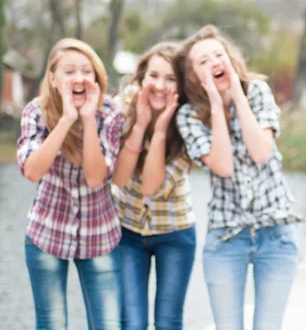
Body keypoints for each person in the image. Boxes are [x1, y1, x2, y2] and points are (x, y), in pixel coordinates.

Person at [175, 25, 302, 330]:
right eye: (203, 61)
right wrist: (217, 105)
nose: (214, 63)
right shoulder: (189, 116)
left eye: (218, 55)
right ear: (192, 75)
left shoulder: (257, 92)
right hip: (226, 238)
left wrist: (236, 97)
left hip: (276, 234)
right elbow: (223, 166)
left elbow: (261, 152)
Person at [17, 38, 124, 330]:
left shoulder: (110, 112)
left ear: (97, 78)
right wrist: (66, 119)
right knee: (51, 324)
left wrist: (88, 119)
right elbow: (32, 172)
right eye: (69, 71)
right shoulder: (35, 111)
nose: (79, 78)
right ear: (52, 79)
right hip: (46, 233)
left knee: (109, 325)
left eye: (87, 71)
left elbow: (94, 178)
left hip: (99, 234)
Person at [112, 42, 196, 330]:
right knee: (131, 323)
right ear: (141, 78)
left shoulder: (189, 121)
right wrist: (140, 126)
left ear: (182, 85)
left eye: (171, 79)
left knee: (167, 323)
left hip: (175, 232)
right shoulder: (122, 108)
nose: (160, 85)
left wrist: (160, 131)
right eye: (154, 76)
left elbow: (151, 187)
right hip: (127, 230)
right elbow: (118, 179)